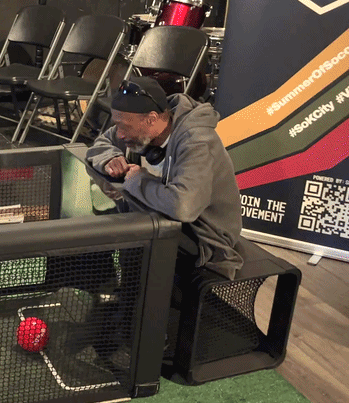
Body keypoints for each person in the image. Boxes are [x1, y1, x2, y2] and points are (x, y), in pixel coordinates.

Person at [86, 76, 243, 280]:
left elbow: (183, 207)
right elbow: (102, 142)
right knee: (104, 225)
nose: (121, 135)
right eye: (118, 126)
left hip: (204, 237)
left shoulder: (197, 143)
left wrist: (137, 180)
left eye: (124, 127)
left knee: (129, 236)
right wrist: (110, 157)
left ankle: (132, 295)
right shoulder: (137, 126)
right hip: (166, 218)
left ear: (152, 119)